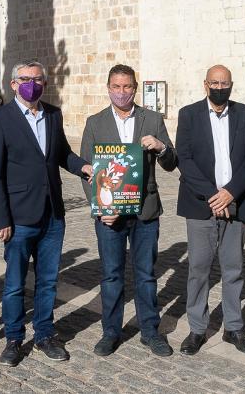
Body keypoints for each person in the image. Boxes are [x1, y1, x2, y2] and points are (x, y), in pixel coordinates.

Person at [0, 61, 92, 366]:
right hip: (18, 218)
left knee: (47, 281)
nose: (33, 84)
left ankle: (44, 333)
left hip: (53, 215)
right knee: (15, 283)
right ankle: (14, 338)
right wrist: (0, 219)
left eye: (38, 79)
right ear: (13, 84)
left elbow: (61, 154)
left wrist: (82, 166)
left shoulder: (53, 114)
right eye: (26, 79)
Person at [79, 64, 177, 357]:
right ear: (108, 88)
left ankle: (150, 331)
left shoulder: (152, 119)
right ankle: (111, 332)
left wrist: (160, 146)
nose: (122, 92)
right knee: (111, 274)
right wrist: (100, 208)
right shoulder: (95, 123)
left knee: (146, 273)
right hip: (110, 215)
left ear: (135, 88)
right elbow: (87, 172)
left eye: (127, 87)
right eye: (116, 87)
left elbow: (171, 162)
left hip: (145, 211)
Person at [175, 64, 245, 356]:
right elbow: (184, 160)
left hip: (235, 203)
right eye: (214, 82)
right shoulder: (188, 115)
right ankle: (197, 329)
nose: (219, 87)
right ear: (205, 84)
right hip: (201, 204)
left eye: (224, 82)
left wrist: (230, 192)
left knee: (233, 268)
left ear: (231, 84)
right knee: (198, 269)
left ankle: (234, 327)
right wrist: (214, 194)